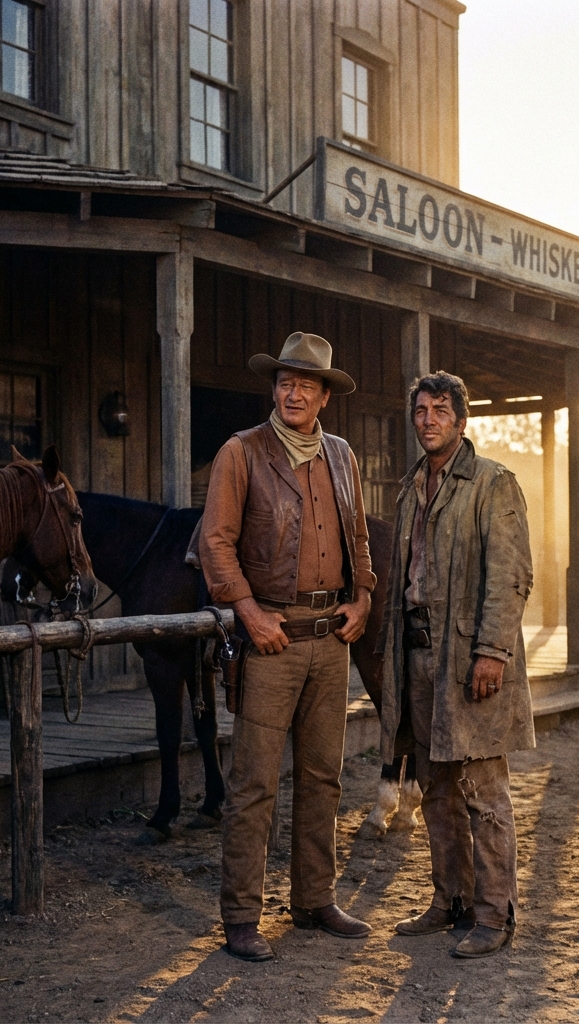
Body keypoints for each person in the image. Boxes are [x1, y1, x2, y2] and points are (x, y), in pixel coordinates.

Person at [199, 332, 375, 962]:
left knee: (324, 776)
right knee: (253, 784)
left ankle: (314, 899)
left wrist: (364, 597)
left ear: (325, 395)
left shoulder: (342, 456)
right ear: (274, 388)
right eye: (285, 381)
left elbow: (357, 536)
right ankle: (242, 915)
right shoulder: (241, 453)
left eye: (307, 384)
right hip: (270, 642)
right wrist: (246, 610)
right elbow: (214, 543)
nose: (294, 392)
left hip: (333, 642)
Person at [377, 370, 535, 959]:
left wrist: (493, 651)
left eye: (440, 410)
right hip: (419, 656)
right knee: (435, 785)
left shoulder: (493, 482)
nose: (428, 420)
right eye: (421, 410)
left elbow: (511, 574)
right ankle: (452, 902)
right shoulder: (411, 485)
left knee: (482, 789)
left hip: (468, 658)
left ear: (462, 421)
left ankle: (494, 916)